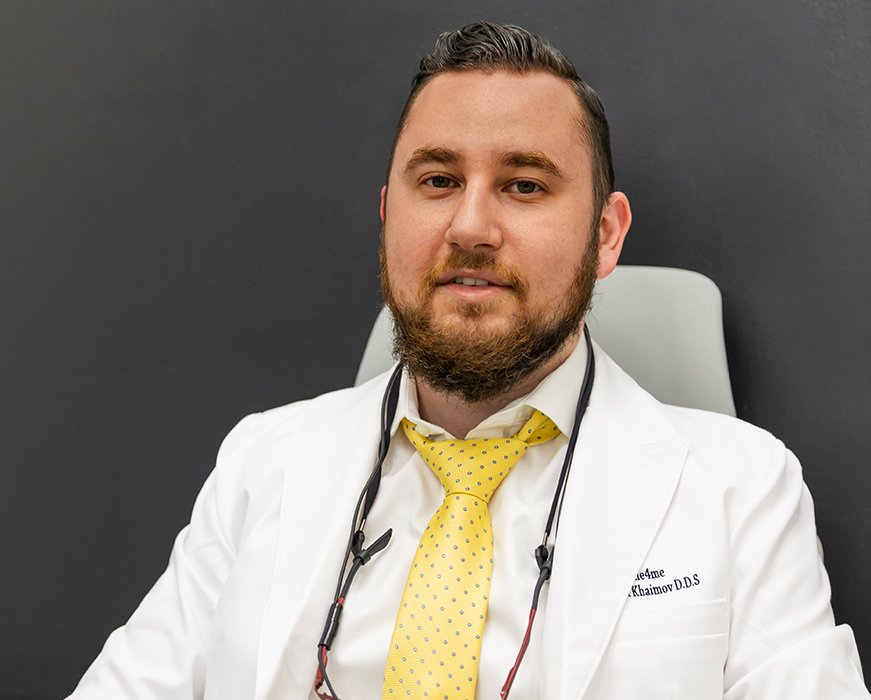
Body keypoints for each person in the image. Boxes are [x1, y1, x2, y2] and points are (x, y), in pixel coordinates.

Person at [68, 21, 868, 700]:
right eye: (438, 179)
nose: (470, 226)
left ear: (605, 235)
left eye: (523, 185)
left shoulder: (744, 489)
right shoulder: (261, 463)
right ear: (389, 215)